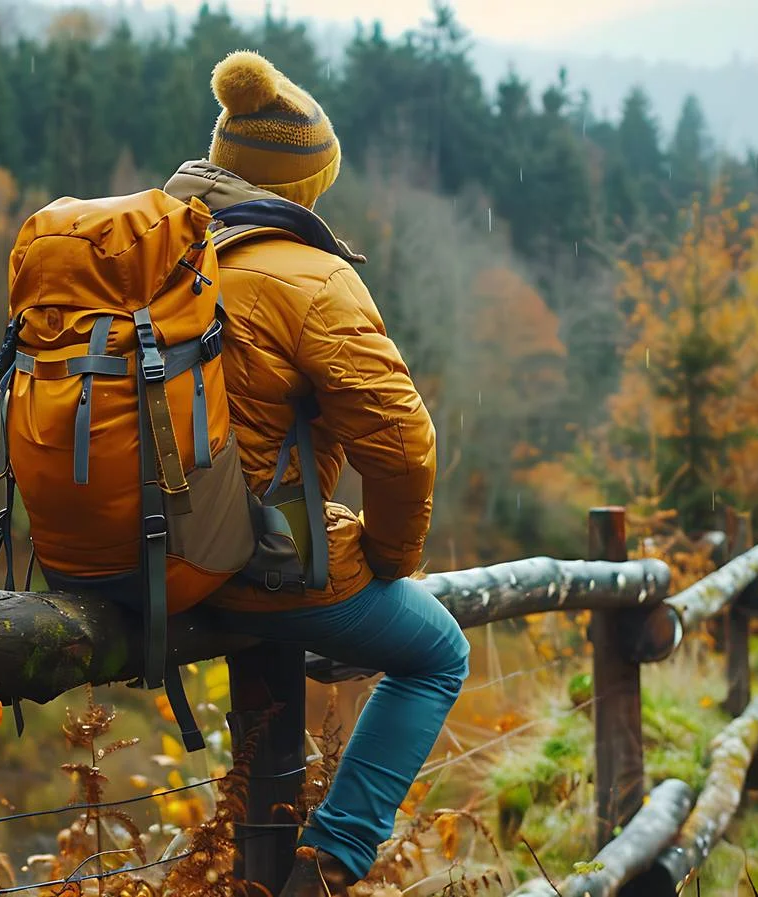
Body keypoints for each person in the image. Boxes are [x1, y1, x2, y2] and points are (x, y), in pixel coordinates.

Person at [161, 50, 470, 896]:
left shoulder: (150, 243)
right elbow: (403, 444)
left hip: (126, 551)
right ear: (306, 184)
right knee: (439, 651)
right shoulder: (311, 275)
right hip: (241, 564)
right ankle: (329, 865)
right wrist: (391, 560)